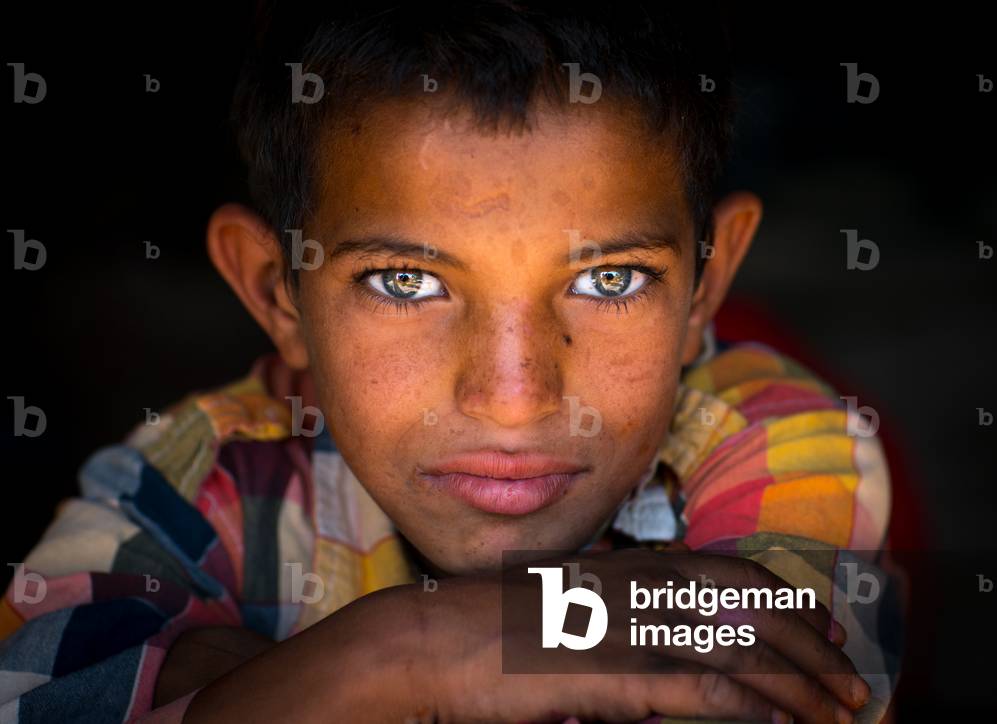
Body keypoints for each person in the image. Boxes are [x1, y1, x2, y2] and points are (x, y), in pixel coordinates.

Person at [0, 2, 901, 722]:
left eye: (610, 277)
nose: (513, 399)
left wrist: (284, 681)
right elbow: (34, 693)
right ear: (280, 294)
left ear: (706, 282)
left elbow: (772, 680)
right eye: (403, 281)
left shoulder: (777, 440)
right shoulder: (200, 477)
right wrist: (418, 649)